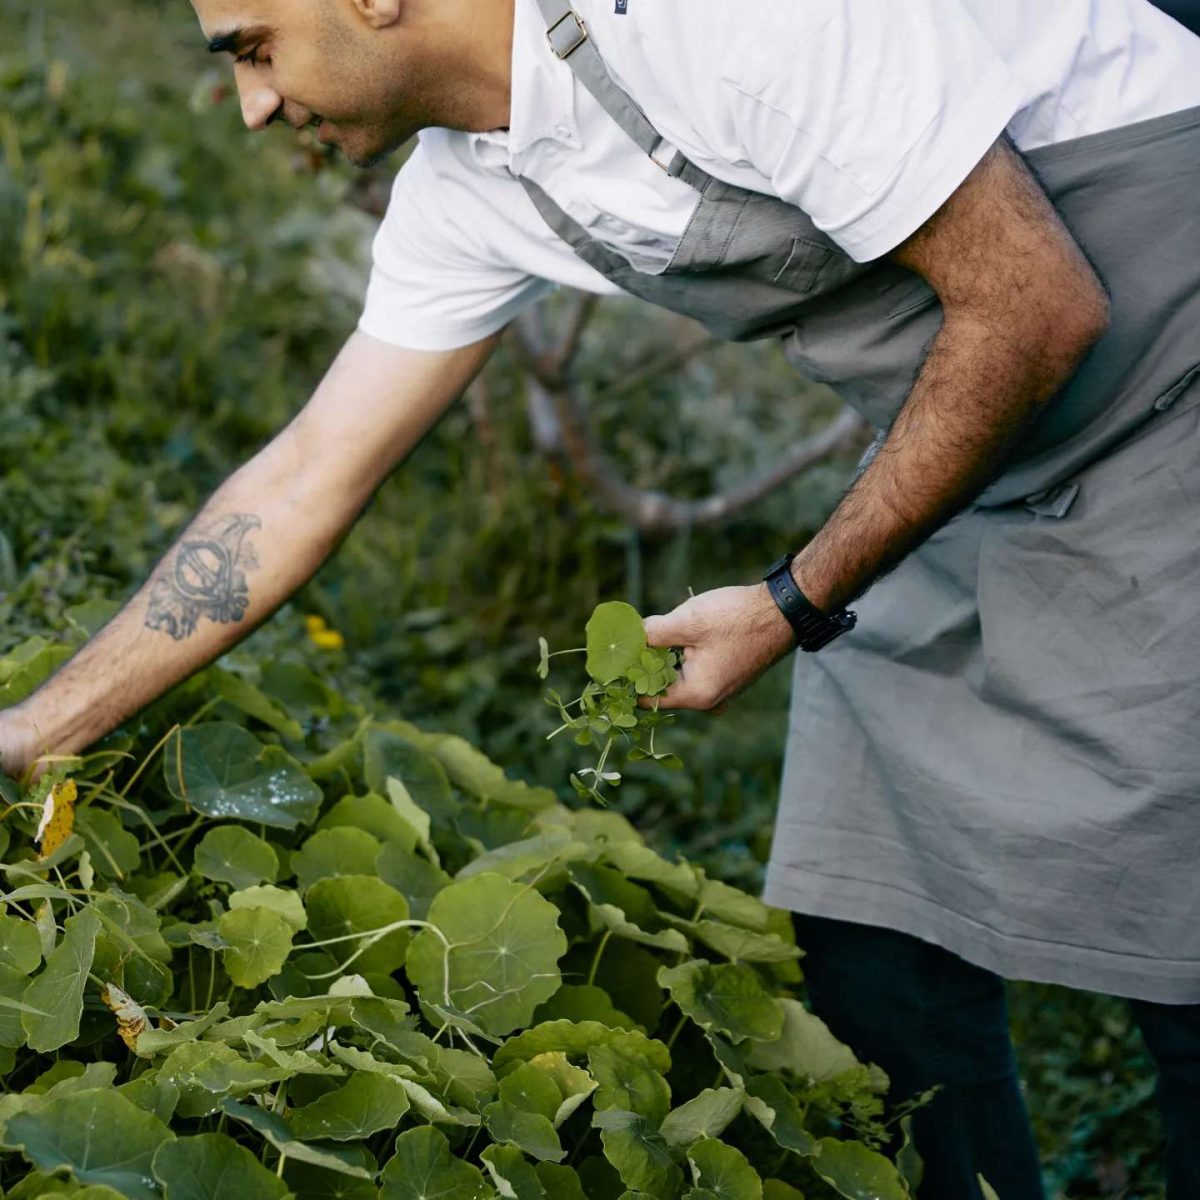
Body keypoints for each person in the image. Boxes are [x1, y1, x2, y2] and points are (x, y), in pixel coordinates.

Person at [2, 0, 1199, 1192]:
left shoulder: (720, 22)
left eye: (254, 49)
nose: (252, 105)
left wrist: (792, 600)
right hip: (967, 444)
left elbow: (1040, 303)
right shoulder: (478, 185)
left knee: (1181, 930)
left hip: (1165, 378)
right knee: (873, 926)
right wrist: (33, 734)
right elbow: (307, 477)